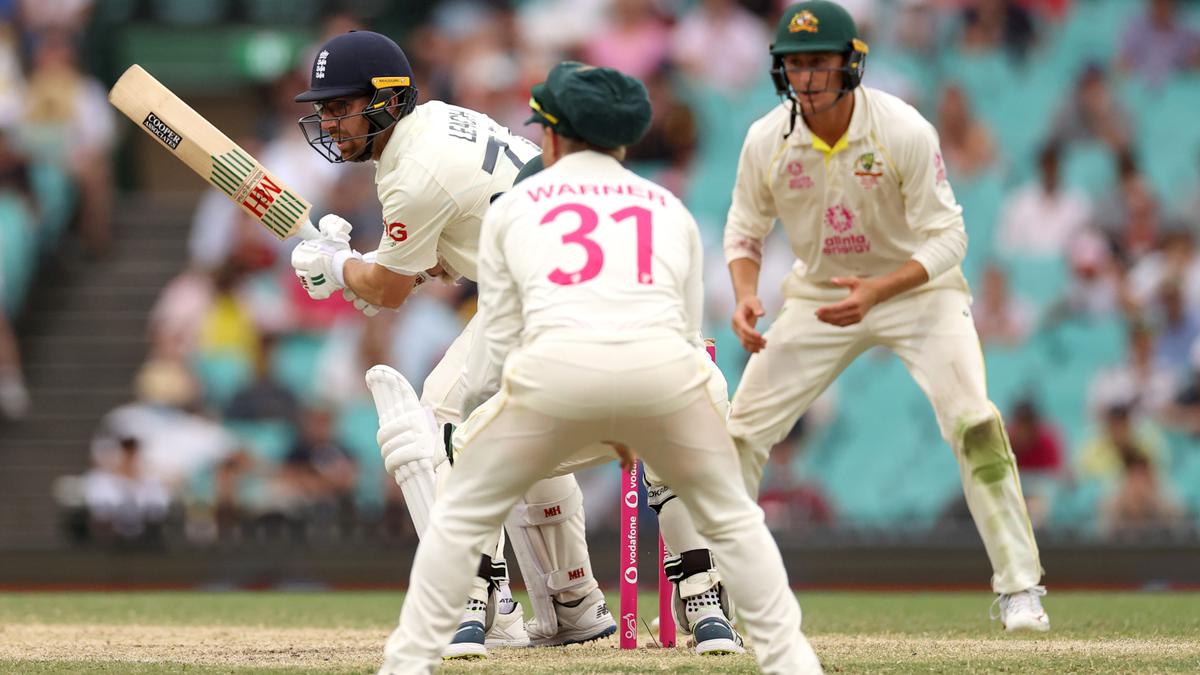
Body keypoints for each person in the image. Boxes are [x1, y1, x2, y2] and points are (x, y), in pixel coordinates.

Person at [379, 60, 823, 675]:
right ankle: (710, 607)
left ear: (555, 138)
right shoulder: (665, 207)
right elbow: (687, 327)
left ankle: (469, 612)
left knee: (457, 431)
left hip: (558, 393)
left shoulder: (519, 210)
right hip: (677, 390)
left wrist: (478, 423)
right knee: (691, 457)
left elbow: (487, 363)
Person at [723, 1, 1048, 631]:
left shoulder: (903, 130)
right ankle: (729, 600)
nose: (806, 78)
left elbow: (950, 239)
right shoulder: (767, 137)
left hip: (918, 293)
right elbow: (743, 232)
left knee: (975, 422)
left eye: (818, 63)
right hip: (818, 294)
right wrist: (743, 293)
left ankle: (1020, 589)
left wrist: (879, 290)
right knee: (738, 436)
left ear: (851, 65)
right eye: (794, 64)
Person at [287, 31, 612, 658]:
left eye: (339, 106)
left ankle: (473, 602)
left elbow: (385, 289)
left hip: (538, 297)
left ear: (385, 100)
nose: (328, 121)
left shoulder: (411, 173)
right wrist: (399, 263)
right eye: (322, 108)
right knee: (521, 436)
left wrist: (338, 267)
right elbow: (457, 229)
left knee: (437, 424)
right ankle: (576, 605)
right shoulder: (443, 121)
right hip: (575, 285)